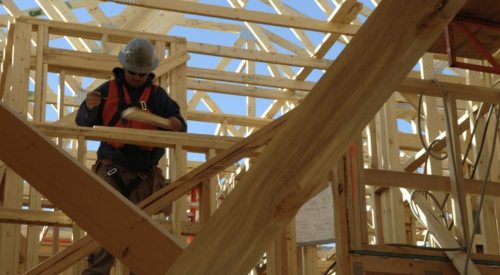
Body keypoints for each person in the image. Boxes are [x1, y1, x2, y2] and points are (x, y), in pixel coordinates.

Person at [76, 38, 187, 275]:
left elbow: (179, 126)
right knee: (106, 226)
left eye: (142, 73)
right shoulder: (105, 91)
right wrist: (90, 108)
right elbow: (82, 124)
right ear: (123, 68)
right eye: (133, 72)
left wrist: (177, 124)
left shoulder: (157, 96)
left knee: (140, 232)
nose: (137, 77)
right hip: (112, 168)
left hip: (144, 176)